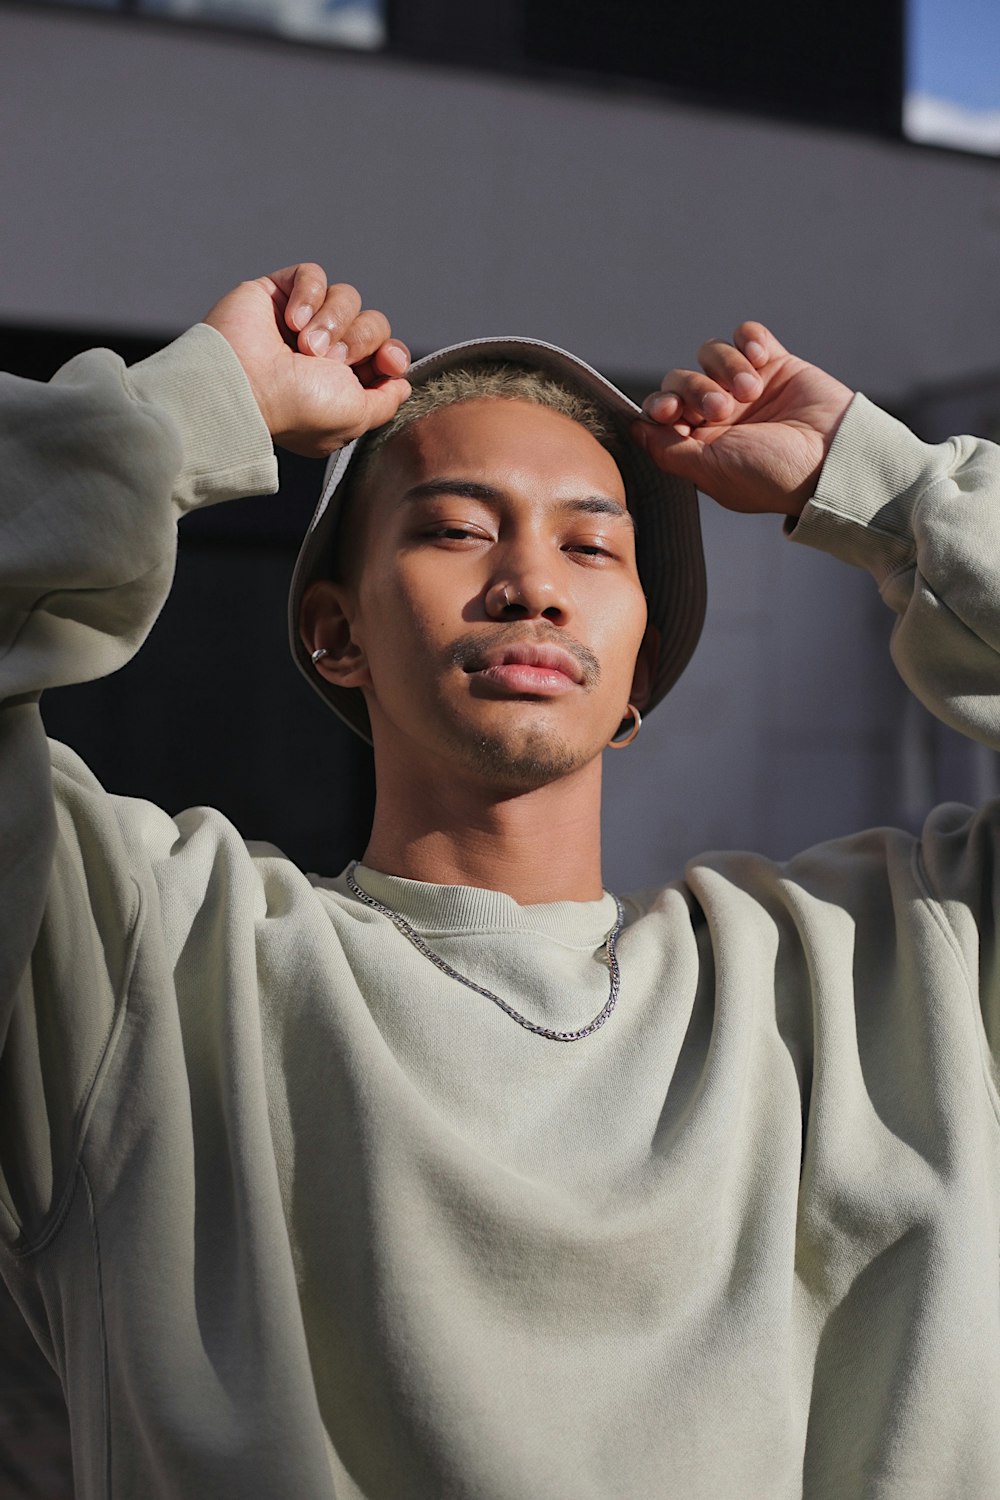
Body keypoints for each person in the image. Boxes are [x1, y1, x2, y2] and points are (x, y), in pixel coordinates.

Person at [2, 260, 999, 1500]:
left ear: (640, 671)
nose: (532, 584)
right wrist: (194, 406)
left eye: (593, 545)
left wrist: (892, 487)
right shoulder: (145, 956)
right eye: (456, 530)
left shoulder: (887, 969)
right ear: (334, 630)